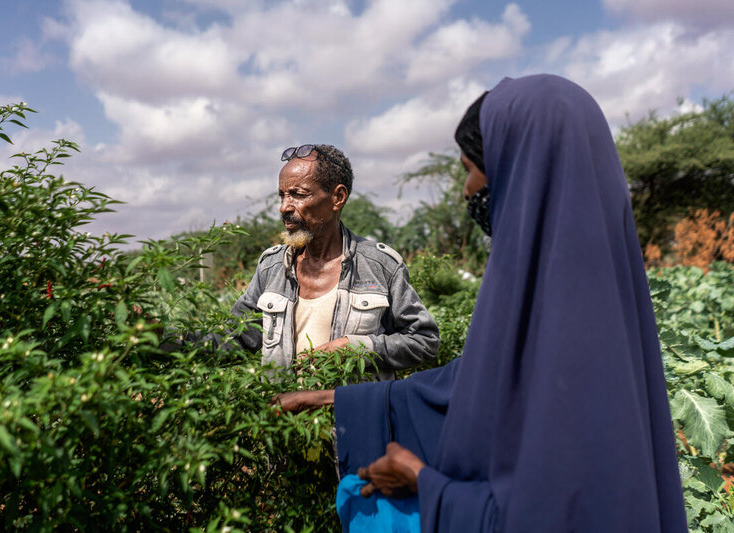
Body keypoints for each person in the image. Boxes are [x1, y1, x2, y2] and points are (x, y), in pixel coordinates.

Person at [274, 75, 687, 532]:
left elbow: (561, 512)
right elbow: (476, 383)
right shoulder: (568, 289)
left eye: (472, 169)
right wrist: (342, 398)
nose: (467, 190)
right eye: (282, 195)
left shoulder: (574, 328)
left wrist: (425, 483)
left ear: (523, 172)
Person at [177, 144, 439, 380]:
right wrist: (164, 339)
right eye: (282, 195)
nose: (284, 207)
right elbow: (235, 339)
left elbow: (424, 341)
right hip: (284, 424)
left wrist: (355, 347)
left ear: (338, 197)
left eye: (298, 194)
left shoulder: (380, 265)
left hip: (355, 421)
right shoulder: (271, 267)